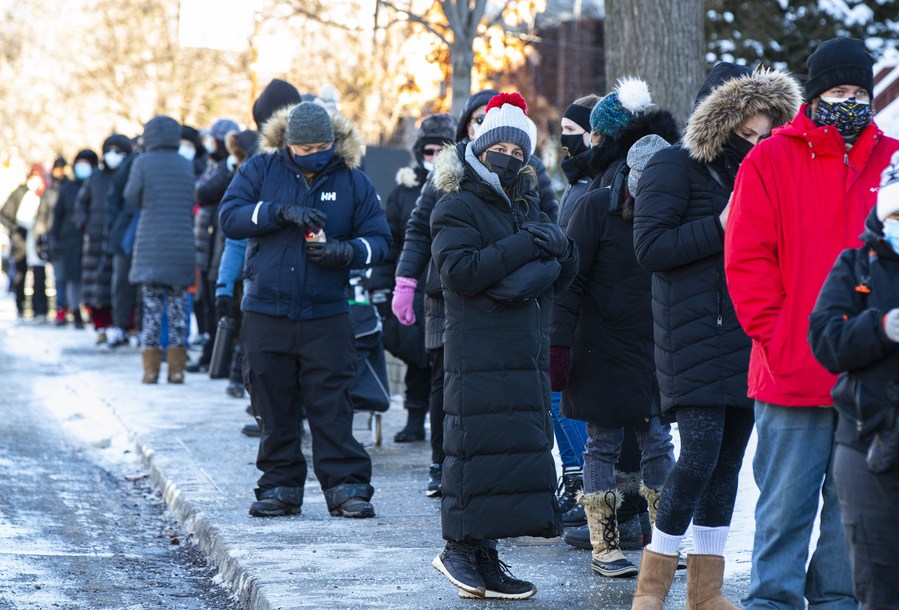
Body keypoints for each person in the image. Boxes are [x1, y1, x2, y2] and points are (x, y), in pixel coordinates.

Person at [724, 38, 899, 610]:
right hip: (792, 369)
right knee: (782, 513)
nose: (848, 101)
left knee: (852, 522)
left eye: (857, 92)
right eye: (836, 91)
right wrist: (776, 338)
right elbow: (747, 259)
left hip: (868, 370)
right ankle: (772, 603)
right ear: (815, 93)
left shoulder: (891, 158)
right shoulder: (770, 157)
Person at [631, 65, 801, 609]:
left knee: (728, 463)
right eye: (743, 132)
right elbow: (650, 249)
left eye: (763, 134)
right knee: (699, 454)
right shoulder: (673, 167)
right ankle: (650, 589)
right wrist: (722, 224)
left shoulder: (767, 175)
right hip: (691, 333)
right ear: (717, 121)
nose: (753, 144)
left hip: (749, 336)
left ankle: (705, 593)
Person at [429, 92, 578, 600]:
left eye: (520, 153)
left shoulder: (528, 201)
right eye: (502, 149)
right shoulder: (456, 202)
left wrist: (561, 246)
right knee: (473, 450)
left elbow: (561, 266)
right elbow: (462, 271)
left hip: (523, 350)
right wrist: (527, 246)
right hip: (477, 351)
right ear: (480, 145)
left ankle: (485, 553)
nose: (510, 159)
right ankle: (458, 548)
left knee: (507, 456)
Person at [219, 101, 390, 519]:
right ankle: (279, 486)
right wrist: (276, 212)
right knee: (272, 402)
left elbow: (381, 241)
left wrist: (343, 252)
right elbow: (229, 217)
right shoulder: (260, 170)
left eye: (321, 146)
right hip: (266, 309)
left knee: (331, 402)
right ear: (287, 144)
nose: (313, 153)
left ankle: (347, 486)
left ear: (333, 142)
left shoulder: (353, 181)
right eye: (304, 147)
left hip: (327, 312)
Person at [392, 89, 558, 497]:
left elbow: (552, 225)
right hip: (443, 292)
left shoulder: (530, 174)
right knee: (445, 381)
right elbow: (419, 227)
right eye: (478, 118)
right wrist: (406, 279)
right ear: (471, 125)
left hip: (510, 298)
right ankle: (441, 461)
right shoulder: (450, 171)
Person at [551, 78, 681, 579]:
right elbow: (570, 284)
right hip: (602, 347)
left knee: (657, 443)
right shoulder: (592, 208)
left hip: (653, 348)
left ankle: (663, 543)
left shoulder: (673, 214)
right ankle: (604, 543)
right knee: (602, 443)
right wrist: (558, 346)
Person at [808, 152, 899, 610]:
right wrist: (880, 328)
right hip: (868, 442)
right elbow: (824, 338)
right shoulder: (856, 265)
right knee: (877, 580)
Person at [370, 113, 456, 445]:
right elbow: (389, 243)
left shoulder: (459, 186)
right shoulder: (402, 193)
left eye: (439, 150)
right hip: (411, 286)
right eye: (428, 150)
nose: (432, 158)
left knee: (441, 362)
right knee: (414, 360)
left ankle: (441, 428)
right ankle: (413, 419)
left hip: (444, 286)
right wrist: (382, 286)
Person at [125, 115, 196, 384]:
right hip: (181, 244)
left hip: (150, 245)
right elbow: (192, 197)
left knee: (152, 309)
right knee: (178, 309)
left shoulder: (142, 163)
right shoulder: (186, 164)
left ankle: (150, 371)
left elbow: (131, 197)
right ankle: (177, 370)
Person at [187, 117, 240, 373]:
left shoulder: (229, 168)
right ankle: (211, 354)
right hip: (206, 245)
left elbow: (205, 192)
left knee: (216, 303)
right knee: (206, 303)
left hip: (218, 245)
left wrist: (228, 169)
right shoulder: (213, 165)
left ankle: (219, 357)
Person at [77, 134, 133, 343]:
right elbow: (81, 204)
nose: (112, 155)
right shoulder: (95, 178)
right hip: (95, 241)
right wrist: (86, 223)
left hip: (119, 239)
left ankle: (123, 325)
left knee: (118, 284)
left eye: (117, 151)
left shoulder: (129, 174)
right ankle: (101, 326)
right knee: (96, 286)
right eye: (109, 150)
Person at [102, 135, 143, 350]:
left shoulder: (140, 163)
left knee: (135, 286)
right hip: (125, 231)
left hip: (139, 231)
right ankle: (122, 328)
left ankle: (136, 329)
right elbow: (116, 199)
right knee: (122, 286)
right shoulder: (130, 166)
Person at [50, 150, 97, 329]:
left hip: (93, 239)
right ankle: (75, 311)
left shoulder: (97, 184)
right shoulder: (67, 189)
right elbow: (57, 215)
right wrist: (53, 238)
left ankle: (92, 312)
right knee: (72, 278)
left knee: (91, 277)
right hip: (70, 239)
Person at [0, 165, 48, 319]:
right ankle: (20, 305)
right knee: (20, 274)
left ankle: (39, 308)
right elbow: (5, 213)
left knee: (39, 274)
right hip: (21, 240)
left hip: (37, 240)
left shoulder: (42, 193)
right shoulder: (19, 192)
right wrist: (14, 229)